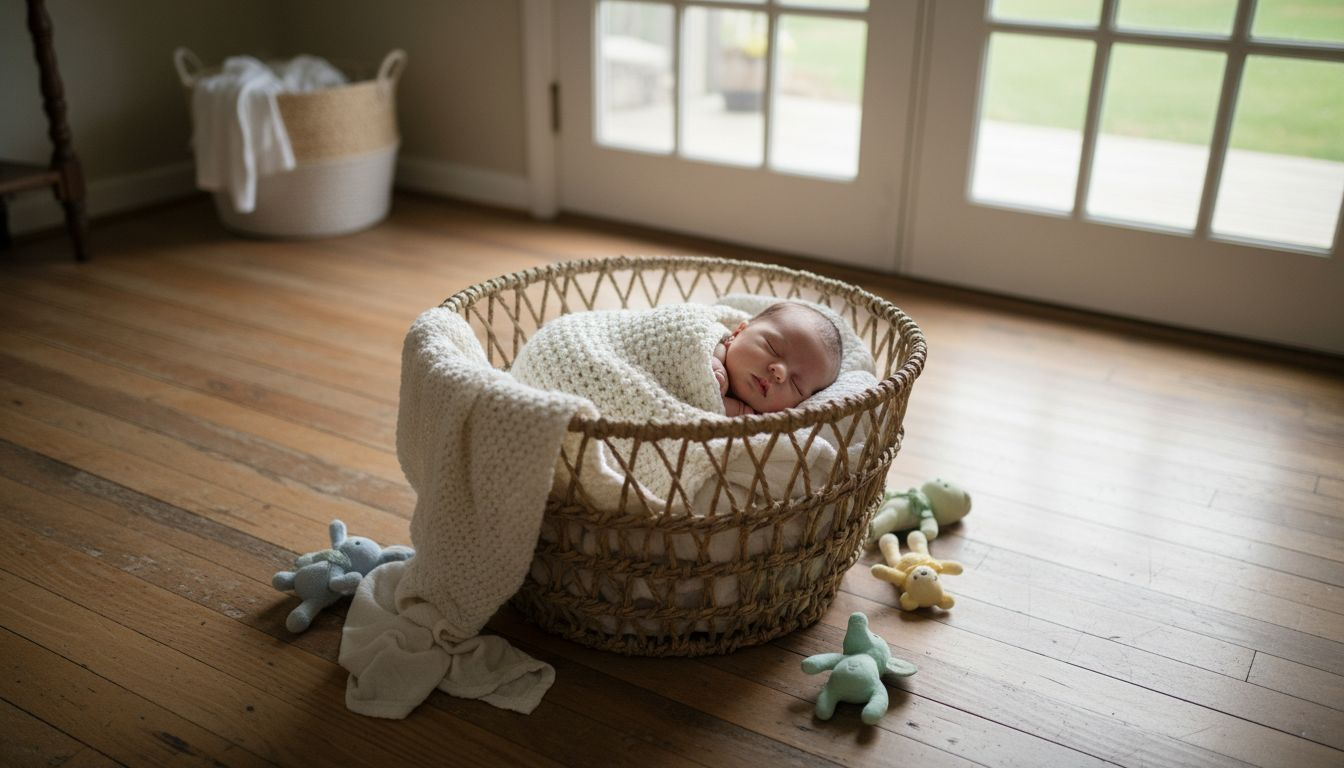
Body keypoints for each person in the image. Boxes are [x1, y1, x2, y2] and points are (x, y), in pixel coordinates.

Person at [711, 302, 842, 416]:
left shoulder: (762, 429)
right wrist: (715, 360)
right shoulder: (713, 344)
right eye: (772, 348)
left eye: (795, 385)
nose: (779, 372)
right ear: (738, 332)